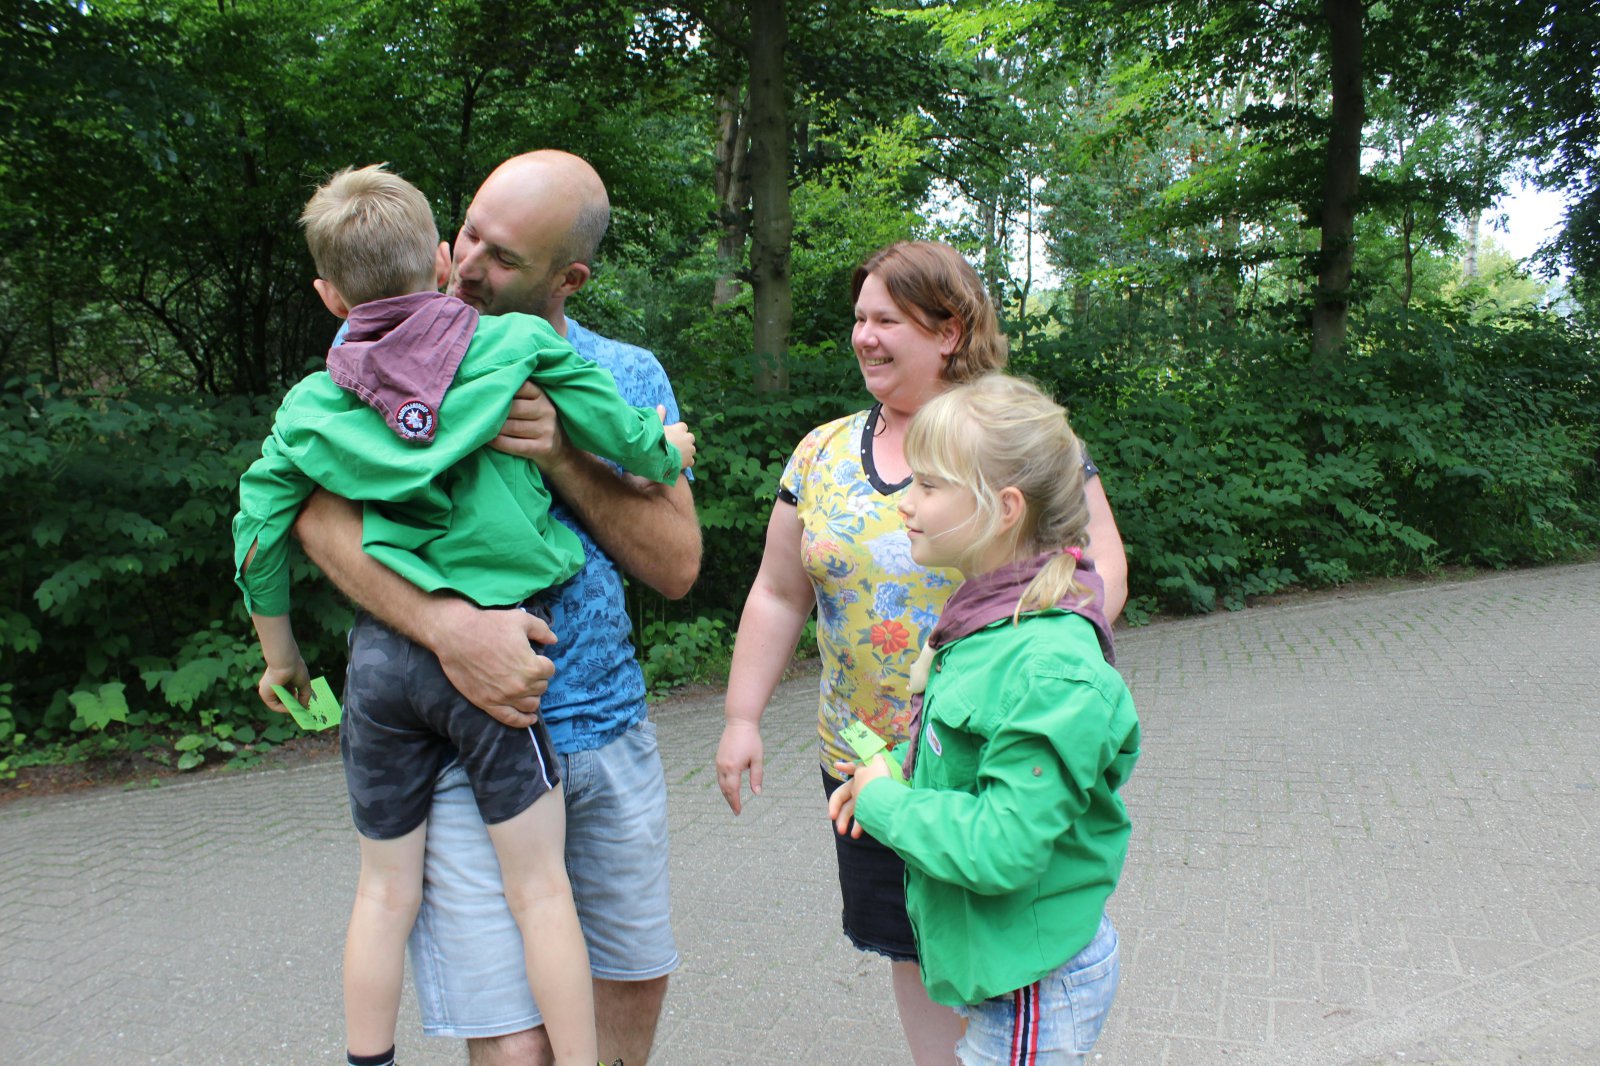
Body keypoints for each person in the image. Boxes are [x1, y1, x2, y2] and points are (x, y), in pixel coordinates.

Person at [235, 164, 694, 1066]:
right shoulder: (364, 369)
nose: (473, 262)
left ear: (569, 278)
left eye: (504, 254)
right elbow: (315, 524)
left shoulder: (623, 369)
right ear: (441, 248)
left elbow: (678, 567)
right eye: (470, 233)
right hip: (466, 724)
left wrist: (561, 452)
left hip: (604, 722)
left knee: (631, 983)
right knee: (514, 1039)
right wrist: (451, 628)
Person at [715, 241, 1128, 1065]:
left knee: (1002, 925)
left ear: (949, 331)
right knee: (917, 939)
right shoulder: (822, 453)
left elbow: (1099, 567)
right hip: (868, 761)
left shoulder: (1011, 436)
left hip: (982, 751)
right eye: (859, 319)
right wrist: (739, 717)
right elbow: (778, 592)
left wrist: (1032, 670)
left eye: (887, 320)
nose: (864, 336)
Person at [827, 373, 1140, 1066]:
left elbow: (1002, 845)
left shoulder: (1047, 666)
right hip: (1003, 967)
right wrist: (886, 769)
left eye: (928, 485)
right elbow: (968, 763)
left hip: (1032, 984)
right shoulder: (990, 622)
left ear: (1004, 508)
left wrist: (884, 804)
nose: (905, 503)